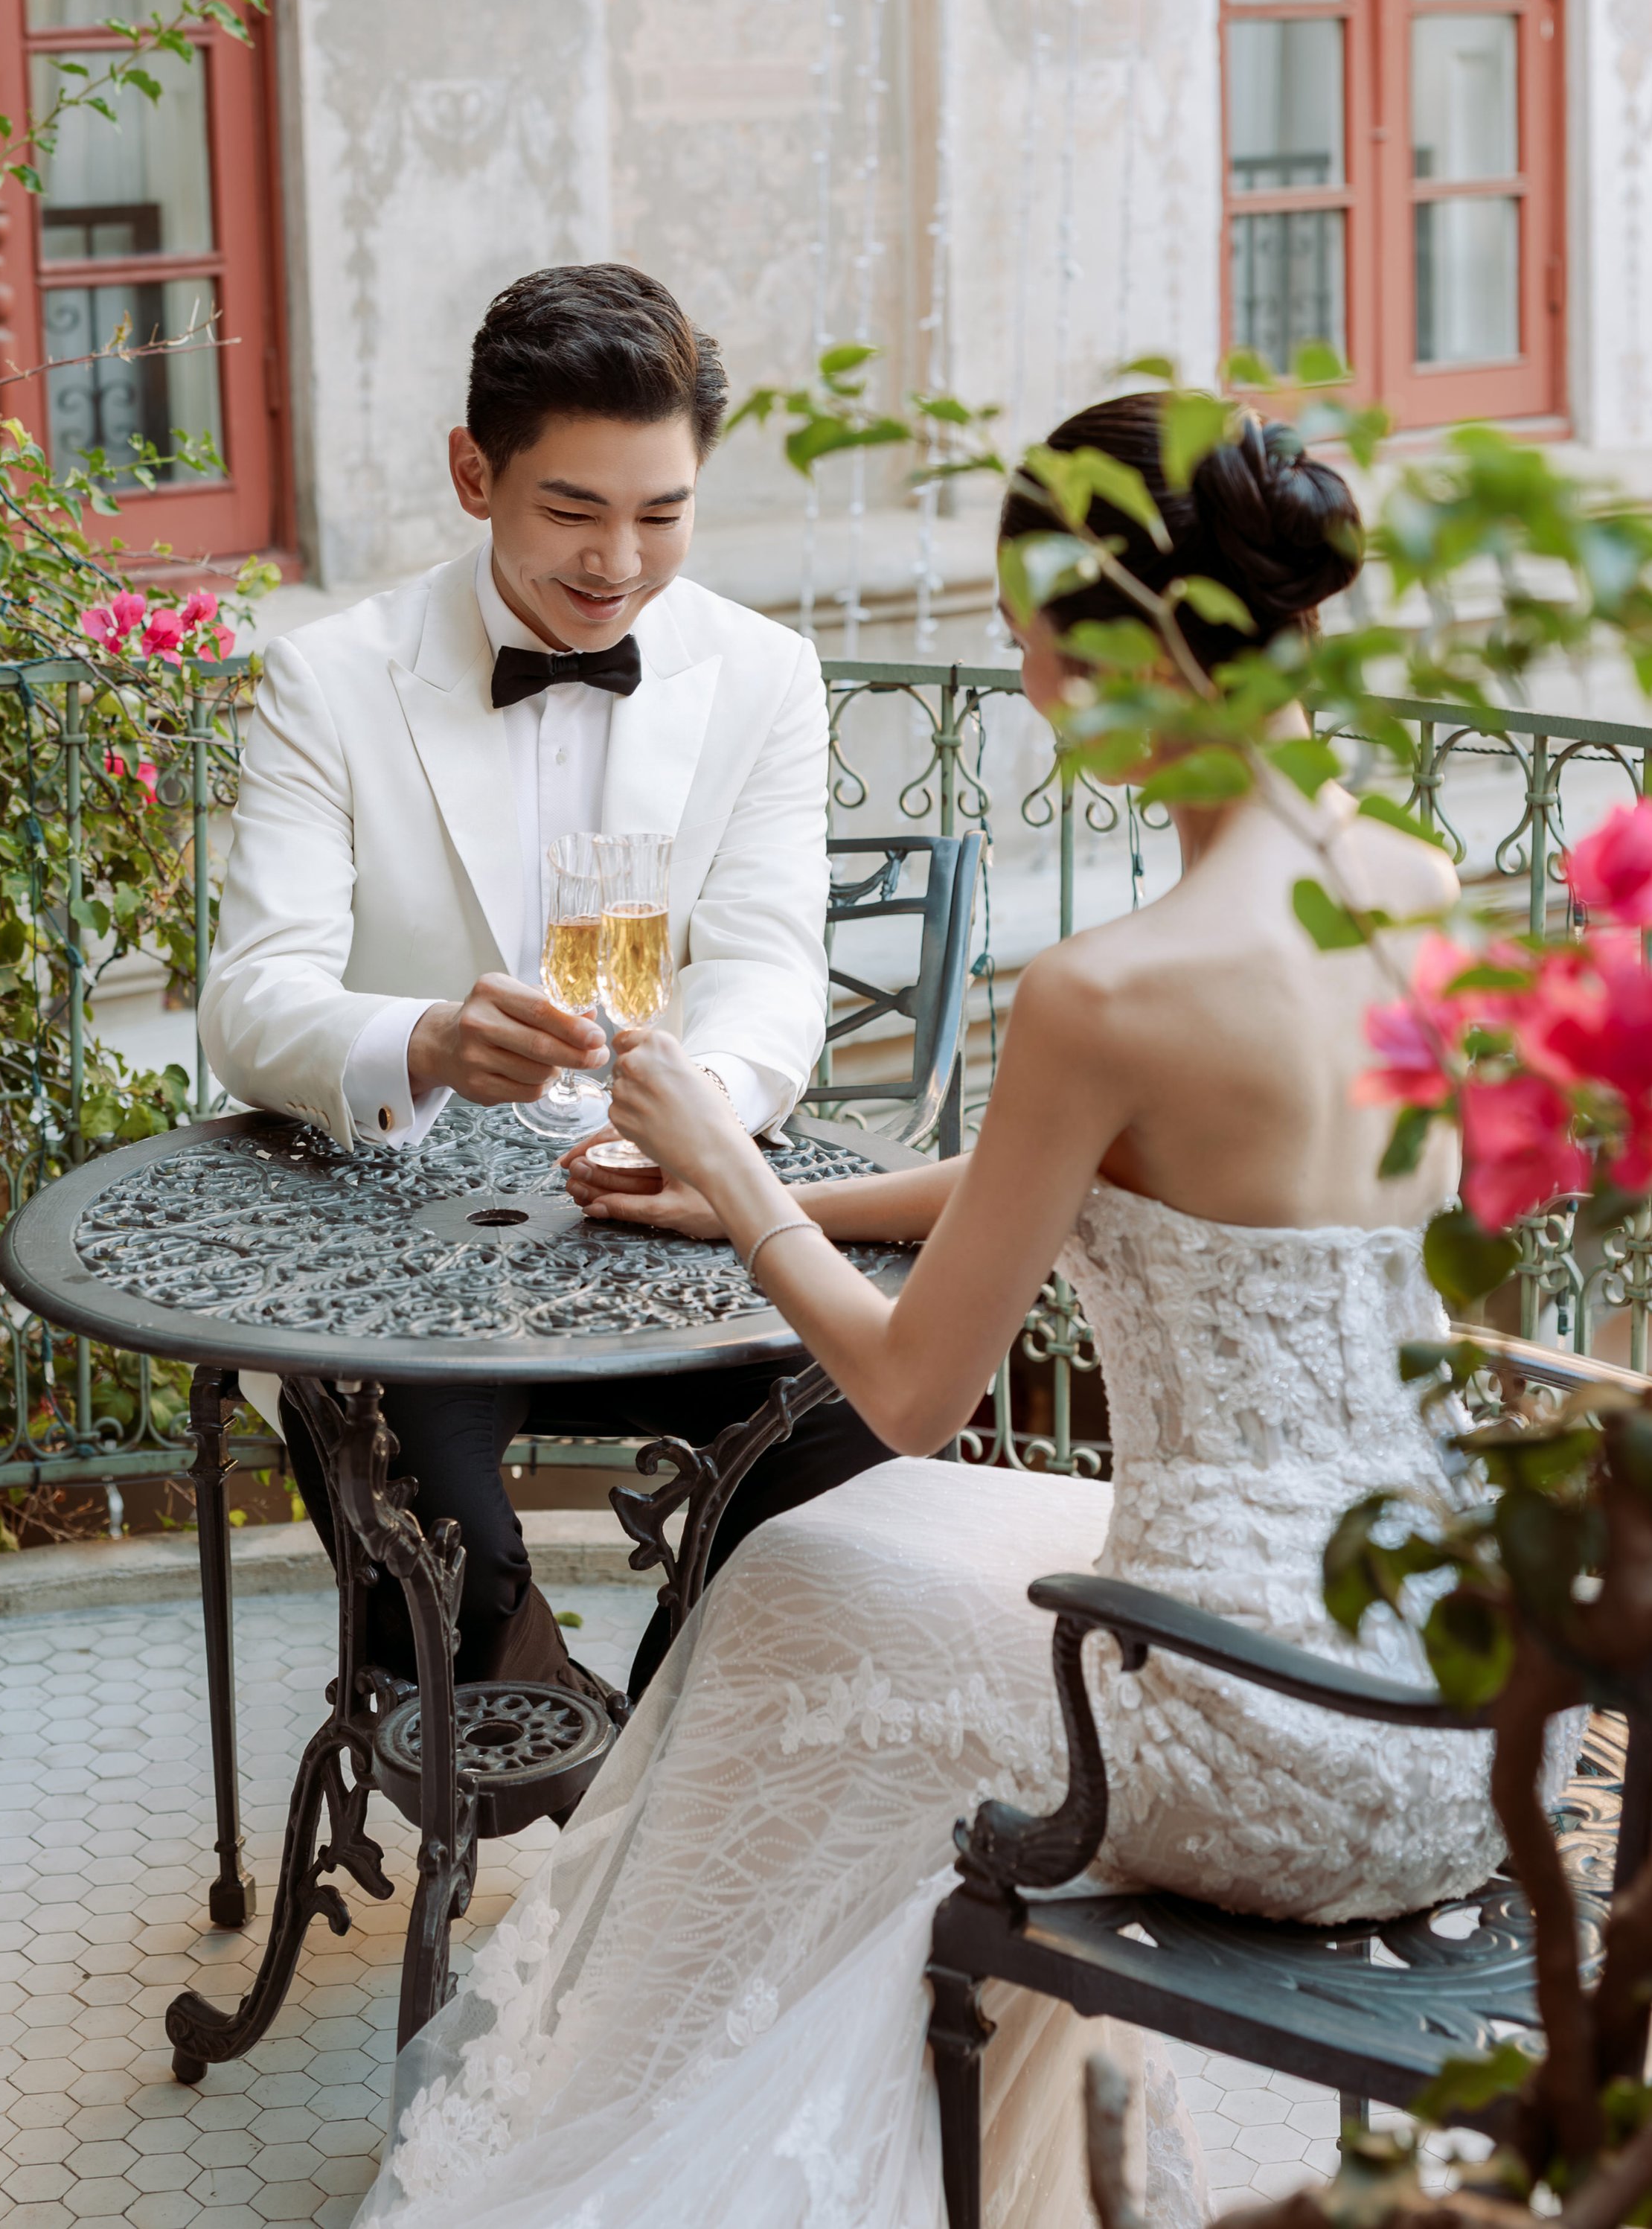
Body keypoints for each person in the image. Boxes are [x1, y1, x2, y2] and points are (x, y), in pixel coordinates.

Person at [354, 395, 1550, 2229]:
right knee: (837, 1578)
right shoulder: (1407, 882)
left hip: (1248, 1715)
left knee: (787, 1592)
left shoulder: (1106, 988)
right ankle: (988, 2151)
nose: (1015, 665)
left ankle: (670, 2164)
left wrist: (733, 1177)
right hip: (1455, 1693)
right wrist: (756, 1194)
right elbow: (1122, 1187)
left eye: (1024, 629)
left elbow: (915, 1391)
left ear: (1125, 644)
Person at [199, 263, 891, 1696]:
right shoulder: (330, 678)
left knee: (858, 1401)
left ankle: (673, 1736)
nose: (619, 562)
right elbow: (251, 998)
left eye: (663, 513)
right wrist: (427, 1040)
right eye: (573, 510)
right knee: (430, 1533)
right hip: (401, 1249)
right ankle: (539, 1756)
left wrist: (698, 1105)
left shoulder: (763, 675)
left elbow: (769, 969)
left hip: (656, 1212)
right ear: (475, 472)